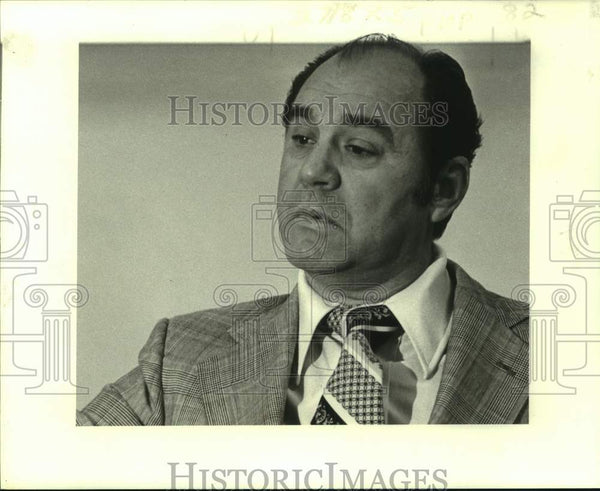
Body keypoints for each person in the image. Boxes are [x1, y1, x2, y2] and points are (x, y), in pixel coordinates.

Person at [77, 34, 529, 426]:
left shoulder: (549, 355)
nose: (312, 171)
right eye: (302, 139)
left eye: (358, 148)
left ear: (443, 190)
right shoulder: (177, 358)